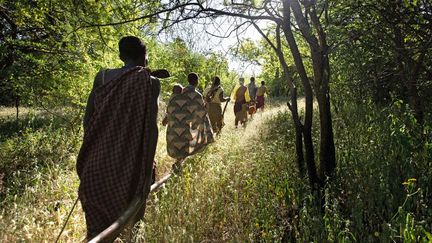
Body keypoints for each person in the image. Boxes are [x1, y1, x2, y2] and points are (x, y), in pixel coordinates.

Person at [77, 36, 160, 240]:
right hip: (129, 172)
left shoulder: (102, 77)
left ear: (121, 56)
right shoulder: (150, 82)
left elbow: (87, 122)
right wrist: (146, 174)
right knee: (126, 229)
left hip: (95, 170)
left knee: (96, 234)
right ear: (145, 56)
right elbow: (151, 131)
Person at [166, 72, 214, 160]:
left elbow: (170, 108)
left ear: (188, 81)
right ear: (197, 81)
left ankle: (179, 161)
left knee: (180, 140)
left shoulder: (178, 93)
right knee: (187, 139)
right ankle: (180, 161)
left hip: (177, 124)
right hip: (189, 124)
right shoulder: (197, 96)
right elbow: (202, 113)